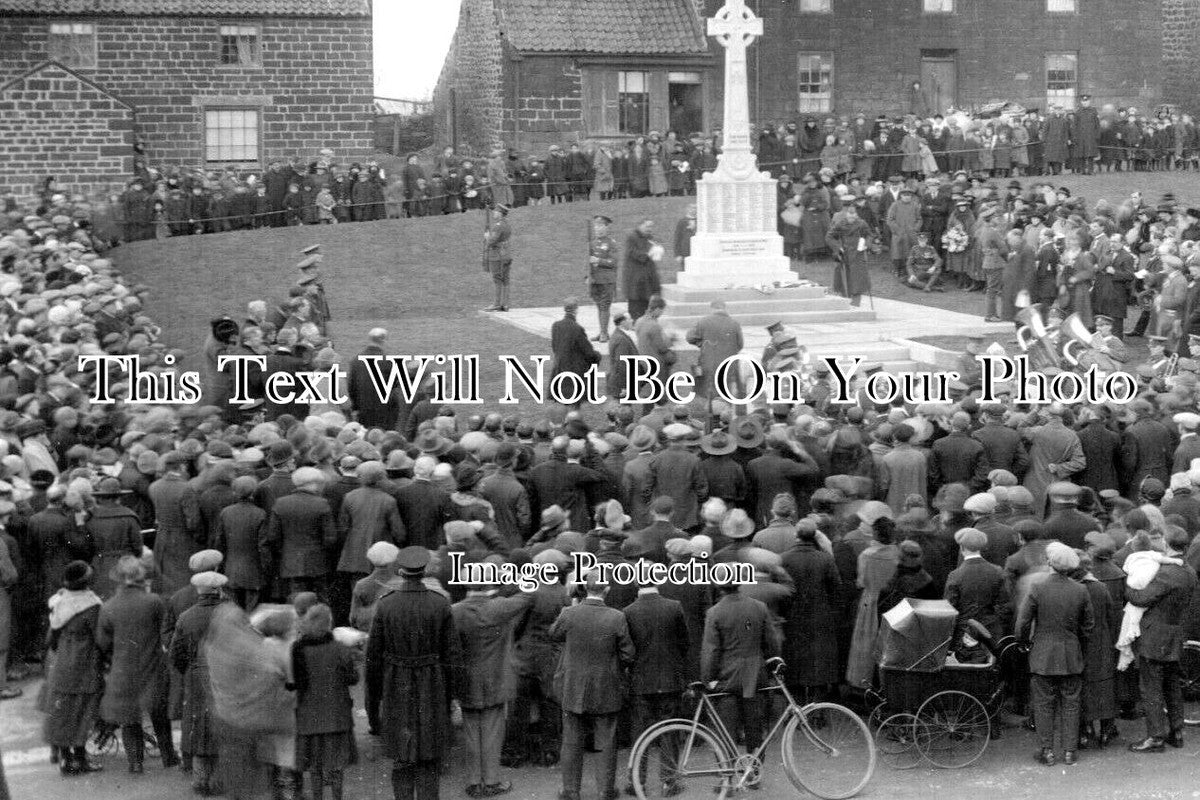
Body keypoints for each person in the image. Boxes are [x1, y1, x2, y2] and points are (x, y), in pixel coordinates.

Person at [366, 545, 461, 800]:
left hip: (396, 684)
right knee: (429, 757)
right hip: (432, 685)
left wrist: (373, 704)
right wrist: (452, 696)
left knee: (402, 757)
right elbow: (452, 655)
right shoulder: (439, 604)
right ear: (424, 570)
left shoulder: (386, 605)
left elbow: (373, 658)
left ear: (402, 570)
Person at [549, 569, 634, 800]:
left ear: (584, 588)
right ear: (607, 589)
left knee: (571, 740)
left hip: (573, 687)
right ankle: (605, 790)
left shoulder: (569, 613)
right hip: (606, 686)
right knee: (606, 739)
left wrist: (572, 604)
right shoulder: (617, 617)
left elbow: (553, 634)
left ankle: (570, 790)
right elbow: (628, 654)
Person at [451, 578, 533, 798]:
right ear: (490, 586)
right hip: (496, 679)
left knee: (470, 731)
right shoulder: (500, 607)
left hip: (467, 679)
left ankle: (473, 782)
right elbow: (528, 594)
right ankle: (491, 781)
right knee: (493, 732)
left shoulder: (455, 611)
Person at [96, 556, 178, 775]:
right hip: (152, 664)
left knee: (129, 718)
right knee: (159, 713)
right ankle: (169, 756)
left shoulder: (108, 607)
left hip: (123, 668)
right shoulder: (153, 602)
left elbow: (102, 643)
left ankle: (135, 762)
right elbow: (164, 630)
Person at [1016, 542, 1094, 767]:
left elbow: (1023, 623)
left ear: (1050, 562)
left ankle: (1047, 750)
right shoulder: (1080, 590)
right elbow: (1089, 626)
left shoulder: (1038, 587)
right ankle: (1070, 751)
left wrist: (1023, 642)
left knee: (1043, 703)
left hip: (1043, 654)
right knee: (1071, 702)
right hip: (1071, 653)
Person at [701, 570, 781, 778]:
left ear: (718, 586)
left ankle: (726, 778)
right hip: (752, 675)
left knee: (726, 729)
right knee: (755, 728)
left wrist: (708, 679)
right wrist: (770, 667)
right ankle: (753, 773)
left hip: (726, 677)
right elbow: (771, 643)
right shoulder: (758, 607)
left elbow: (711, 650)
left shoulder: (715, 612)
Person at [1126, 526, 1198, 752]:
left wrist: (1127, 587)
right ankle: (1176, 731)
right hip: (1175, 633)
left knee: (1151, 687)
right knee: (1171, 684)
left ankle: (1155, 736)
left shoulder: (1166, 573)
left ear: (1166, 544)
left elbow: (1140, 598)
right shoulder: (1188, 571)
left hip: (1155, 635)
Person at [290, 603, 359, 800]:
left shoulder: (298, 649)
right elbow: (352, 678)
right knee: (336, 766)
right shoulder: (340, 649)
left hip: (308, 717)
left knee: (314, 766)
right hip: (337, 717)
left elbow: (295, 681)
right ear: (329, 623)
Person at [170, 570, 229, 794]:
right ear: (218, 590)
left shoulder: (186, 617)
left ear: (199, 591)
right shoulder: (230, 613)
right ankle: (218, 780)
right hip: (223, 675)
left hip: (196, 677)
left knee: (197, 726)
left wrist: (189, 670)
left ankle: (200, 779)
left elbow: (176, 654)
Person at [44, 561, 104, 777]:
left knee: (63, 711)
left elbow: (51, 636)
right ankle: (80, 758)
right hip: (84, 662)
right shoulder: (91, 605)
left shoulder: (59, 600)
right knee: (82, 710)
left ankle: (64, 759)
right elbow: (100, 638)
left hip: (61, 662)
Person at [685, 300, 744, 401]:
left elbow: (689, 337)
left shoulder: (703, 322)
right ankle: (725, 414)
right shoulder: (735, 324)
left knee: (709, 391)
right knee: (726, 391)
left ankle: (711, 412)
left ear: (712, 309)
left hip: (708, 363)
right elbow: (740, 344)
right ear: (724, 308)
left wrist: (701, 344)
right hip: (728, 364)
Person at [550, 298, 601, 409]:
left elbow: (554, 346)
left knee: (563, 400)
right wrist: (597, 356)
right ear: (576, 310)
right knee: (574, 402)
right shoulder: (577, 328)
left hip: (560, 366)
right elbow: (588, 352)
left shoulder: (556, 326)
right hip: (574, 369)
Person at [825, 202, 872, 306]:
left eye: (854, 214)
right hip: (843, 253)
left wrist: (866, 245)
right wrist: (837, 247)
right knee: (842, 276)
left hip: (857, 254)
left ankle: (856, 302)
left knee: (857, 278)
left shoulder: (862, 224)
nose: (851, 216)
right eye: (849, 214)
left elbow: (869, 235)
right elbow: (829, 236)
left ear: (857, 214)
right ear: (846, 214)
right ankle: (844, 299)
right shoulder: (840, 223)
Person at [586, 215, 619, 342]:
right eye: (596, 226)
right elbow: (586, 262)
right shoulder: (592, 243)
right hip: (595, 280)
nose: (597, 228)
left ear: (606, 227)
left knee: (604, 306)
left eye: (600, 226)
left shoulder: (611, 243)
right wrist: (586, 276)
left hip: (607, 280)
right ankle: (602, 332)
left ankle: (604, 333)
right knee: (599, 306)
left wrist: (598, 260)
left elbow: (613, 262)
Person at [623, 219, 663, 321]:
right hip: (635, 279)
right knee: (636, 307)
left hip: (648, 279)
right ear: (640, 226)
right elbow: (632, 253)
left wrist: (657, 252)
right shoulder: (632, 237)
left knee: (648, 306)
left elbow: (653, 256)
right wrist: (648, 254)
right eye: (647, 226)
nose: (649, 229)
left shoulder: (650, 238)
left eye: (651, 227)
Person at [483, 204, 513, 313]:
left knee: (497, 279)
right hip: (506, 254)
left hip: (497, 256)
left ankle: (496, 304)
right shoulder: (507, 224)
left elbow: (492, 241)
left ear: (500, 214)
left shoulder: (498, 226)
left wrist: (487, 237)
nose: (494, 213)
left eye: (496, 212)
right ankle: (505, 304)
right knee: (505, 280)